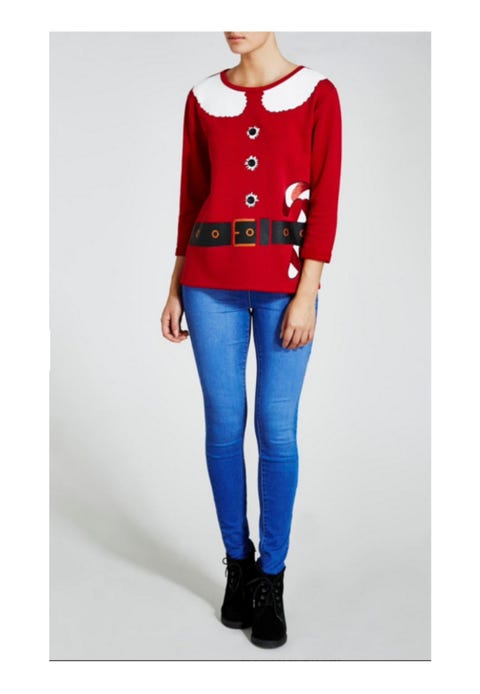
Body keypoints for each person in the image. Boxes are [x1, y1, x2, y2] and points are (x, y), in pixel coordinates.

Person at [161, 31, 342, 649]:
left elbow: (326, 200)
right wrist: (175, 287)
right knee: (222, 425)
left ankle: (272, 579)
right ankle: (238, 566)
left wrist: (307, 292)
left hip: (284, 287)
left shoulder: (317, 94)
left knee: (276, 430)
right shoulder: (202, 97)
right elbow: (190, 197)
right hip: (208, 285)